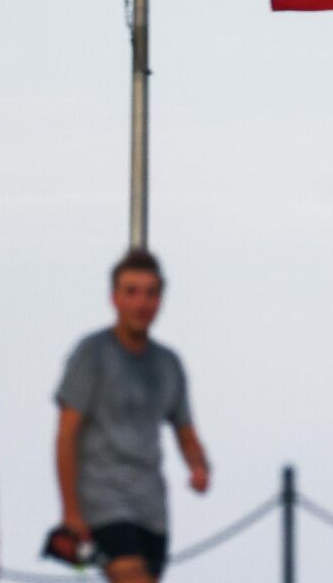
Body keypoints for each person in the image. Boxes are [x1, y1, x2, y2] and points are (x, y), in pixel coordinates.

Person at [55, 249, 211, 583]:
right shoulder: (91, 354)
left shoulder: (168, 363)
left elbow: (185, 430)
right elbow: (66, 434)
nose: (141, 303)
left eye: (151, 293)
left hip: (153, 511)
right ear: (114, 297)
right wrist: (70, 511)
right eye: (131, 291)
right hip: (104, 504)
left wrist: (199, 466)